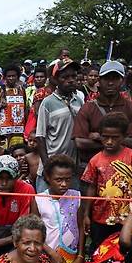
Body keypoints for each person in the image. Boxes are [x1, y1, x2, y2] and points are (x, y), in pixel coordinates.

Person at [82, 112, 132, 253]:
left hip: (127, 218)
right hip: (101, 218)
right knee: (100, 250)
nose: (109, 142)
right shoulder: (95, 160)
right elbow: (91, 187)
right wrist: (86, 215)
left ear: (124, 137)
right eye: (105, 137)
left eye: (114, 138)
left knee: (125, 250)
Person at [72, 61, 132, 174]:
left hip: (123, 170)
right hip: (93, 170)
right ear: (99, 81)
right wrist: (120, 141)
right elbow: (80, 142)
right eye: (106, 78)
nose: (110, 83)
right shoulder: (88, 108)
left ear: (122, 81)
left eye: (115, 79)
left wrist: (99, 137)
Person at [35, 59, 83, 192]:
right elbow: (40, 136)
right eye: (65, 77)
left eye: (73, 76)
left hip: (71, 168)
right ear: (56, 79)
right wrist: (47, 167)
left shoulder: (78, 100)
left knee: (70, 208)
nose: (71, 80)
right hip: (52, 165)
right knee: (46, 207)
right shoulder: (48, 102)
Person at [36, 155, 85, 263]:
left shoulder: (76, 197)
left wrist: (80, 256)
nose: (64, 184)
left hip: (71, 255)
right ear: (48, 178)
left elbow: (80, 226)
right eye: (58, 180)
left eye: (68, 180)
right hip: (46, 255)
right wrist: (51, 252)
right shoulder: (39, 199)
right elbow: (35, 232)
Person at [0, 64, 28, 146]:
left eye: (13, 76)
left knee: (18, 152)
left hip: (19, 129)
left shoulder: (22, 90)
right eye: (9, 76)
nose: (11, 78)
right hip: (3, 129)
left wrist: (26, 126)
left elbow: (25, 108)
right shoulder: (1, 90)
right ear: (5, 77)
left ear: (18, 76)